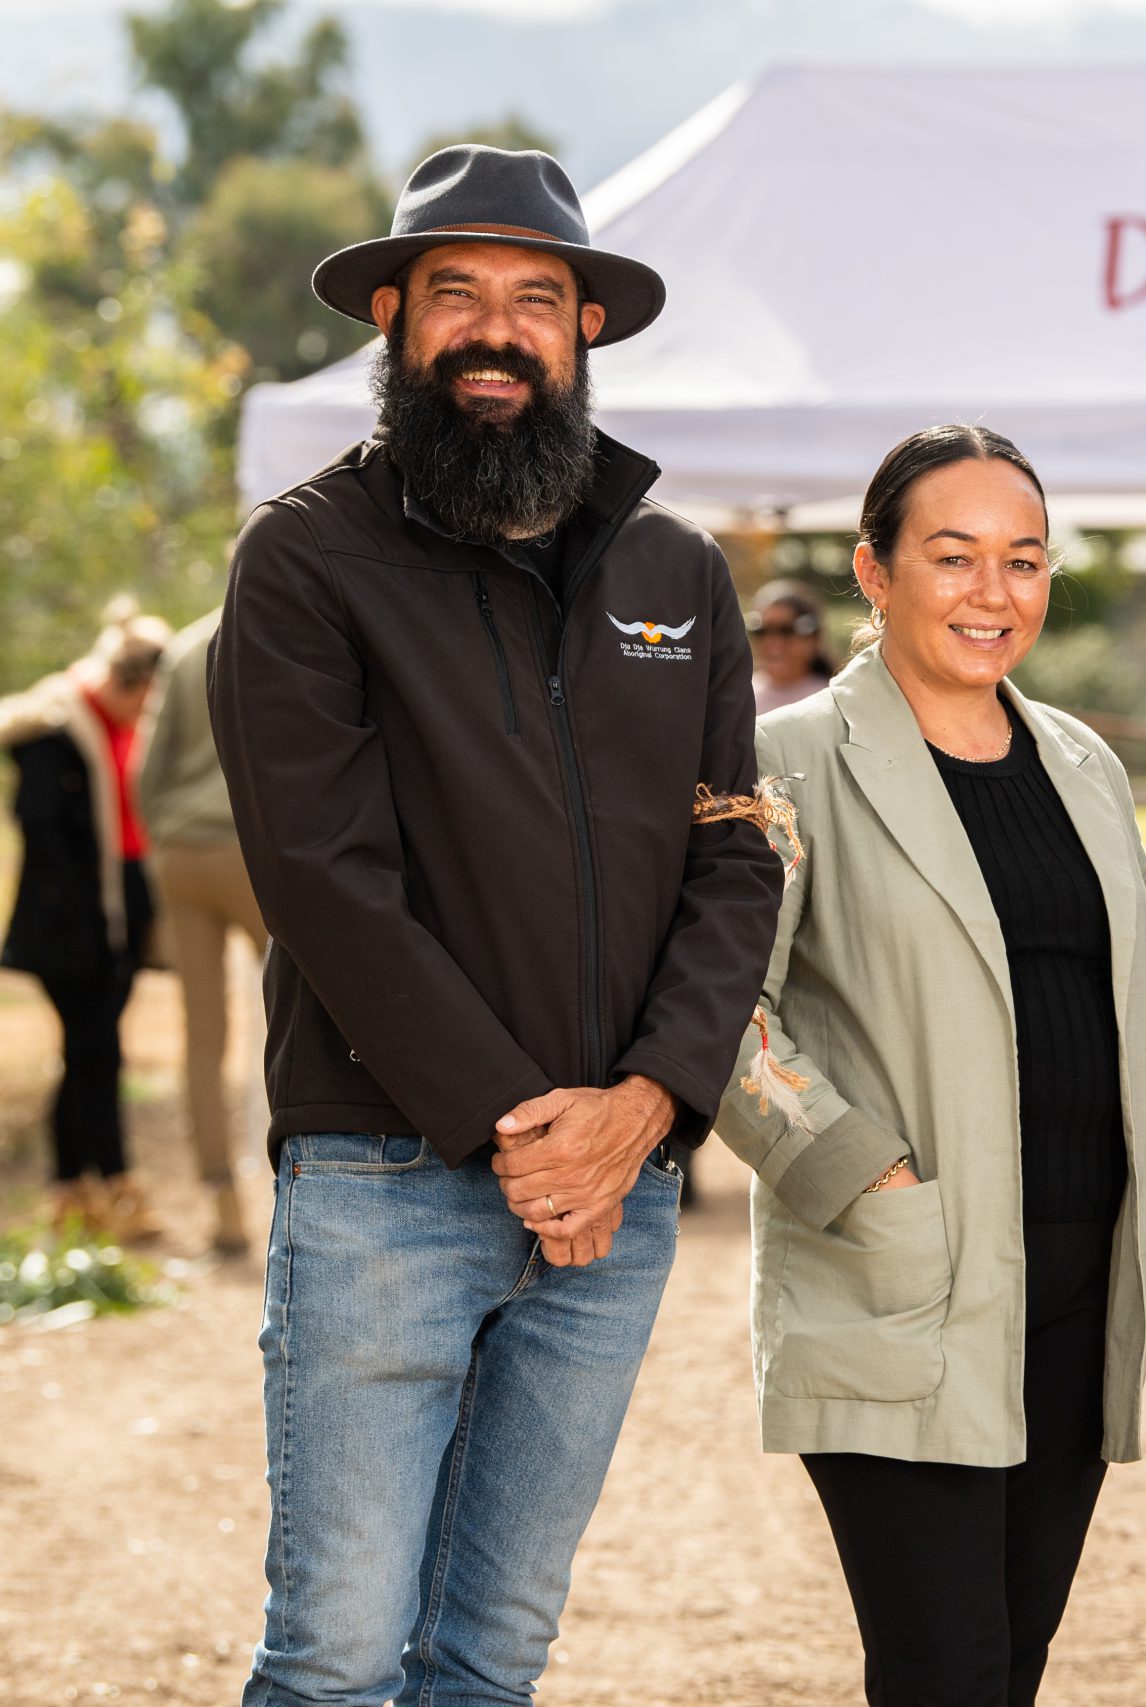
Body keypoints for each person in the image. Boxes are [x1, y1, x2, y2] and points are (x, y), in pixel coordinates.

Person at [209, 145, 781, 1706]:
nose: (496, 329)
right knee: (333, 1654)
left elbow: (740, 859)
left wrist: (648, 1106)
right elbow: (329, 878)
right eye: (454, 292)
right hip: (387, 1167)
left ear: (585, 330)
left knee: (494, 1652)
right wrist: (533, 1133)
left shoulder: (675, 570)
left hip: (623, 1184)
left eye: (537, 299)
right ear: (391, 317)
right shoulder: (303, 560)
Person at [717, 424, 1146, 1706]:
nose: (994, 594)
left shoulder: (1084, 763)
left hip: (1090, 1269)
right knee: (944, 1670)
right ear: (872, 572)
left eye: (1024, 561)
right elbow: (723, 1007)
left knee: (1013, 1661)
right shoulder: (785, 764)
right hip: (900, 1277)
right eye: (953, 557)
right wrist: (858, 1171)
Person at [1, 600, 169, 1241]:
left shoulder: (121, 723)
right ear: (123, 683)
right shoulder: (55, 727)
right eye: (142, 699)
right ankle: (117, 1184)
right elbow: (43, 830)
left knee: (87, 1054)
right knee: (97, 1052)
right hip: (71, 923)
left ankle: (71, 1189)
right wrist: (92, 921)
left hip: (119, 910)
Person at [132, 609, 266, 1256]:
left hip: (182, 854)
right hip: (253, 849)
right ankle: (316, 1183)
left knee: (202, 1034)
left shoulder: (185, 646)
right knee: (325, 1009)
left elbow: (146, 772)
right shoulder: (285, 622)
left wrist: (165, 830)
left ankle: (225, 1206)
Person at [749, 576, 840, 715]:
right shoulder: (739, 696)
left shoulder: (835, 702)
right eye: (762, 631)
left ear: (812, 638)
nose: (774, 643)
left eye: (786, 631)